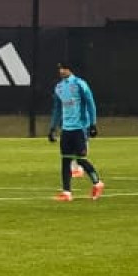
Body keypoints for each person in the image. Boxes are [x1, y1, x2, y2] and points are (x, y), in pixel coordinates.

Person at [48, 60, 103, 201]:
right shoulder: (59, 87)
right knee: (65, 161)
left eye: (64, 69)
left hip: (79, 128)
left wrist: (93, 124)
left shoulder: (79, 84)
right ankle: (67, 193)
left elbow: (90, 103)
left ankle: (98, 183)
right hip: (66, 129)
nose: (61, 71)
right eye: (60, 69)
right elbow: (58, 109)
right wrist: (53, 128)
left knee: (81, 160)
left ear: (70, 69)